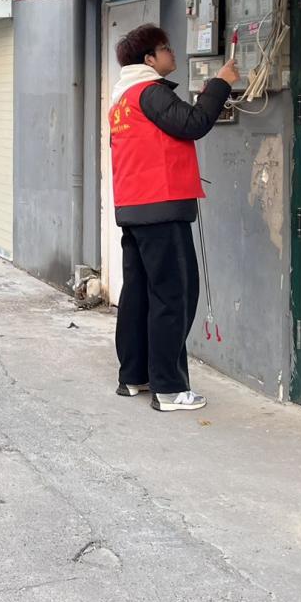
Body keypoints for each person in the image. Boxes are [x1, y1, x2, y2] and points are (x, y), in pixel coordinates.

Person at [108, 24, 238, 412]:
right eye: (165, 48)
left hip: (134, 209)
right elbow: (193, 123)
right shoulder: (150, 92)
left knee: (138, 296)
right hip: (162, 209)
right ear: (149, 59)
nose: (172, 53)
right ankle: (169, 388)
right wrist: (221, 83)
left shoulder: (122, 99)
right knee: (173, 297)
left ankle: (134, 376)